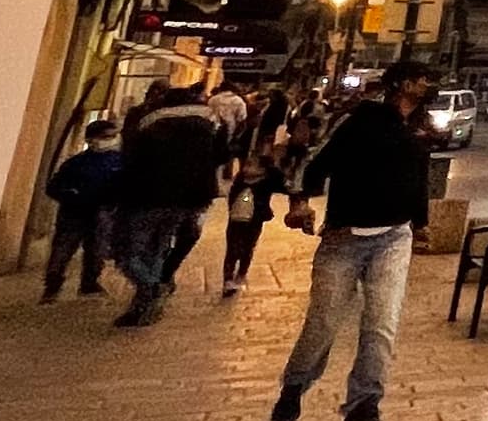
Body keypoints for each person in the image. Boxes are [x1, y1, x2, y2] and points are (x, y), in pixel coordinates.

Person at [273, 67, 437, 421]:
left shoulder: (418, 129)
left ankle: (364, 406)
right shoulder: (357, 121)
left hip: (394, 237)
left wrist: (420, 225)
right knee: (323, 323)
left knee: (382, 324)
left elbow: (418, 180)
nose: (429, 85)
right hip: (344, 237)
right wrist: (299, 202)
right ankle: (294, 386)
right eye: (422, 79)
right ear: (402, 84)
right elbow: (312, 161)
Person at [110, 83, 233, 324]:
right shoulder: (211, 122)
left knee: (126, 252)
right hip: (191, 198)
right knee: (158, 247)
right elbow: (223, 156)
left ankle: (151, 288)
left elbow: (131, 159)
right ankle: (145, 304)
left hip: (150, 194)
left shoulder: (150, 120)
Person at [40, 118, 125, 299]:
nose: (111, 139)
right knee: (63, 250)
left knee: (96, 250)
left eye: (113, 136)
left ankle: (89, 283)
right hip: (74, 214)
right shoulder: (76, 163)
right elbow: (53, 187)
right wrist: (72, 196)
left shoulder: (120, 162)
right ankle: (52, 286)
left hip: (102, 213)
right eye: (105, 136)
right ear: (91, 139)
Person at [219, 97, 296, 295]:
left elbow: (236, 147)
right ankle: (237, 276)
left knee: (235, 240)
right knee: (248, 242)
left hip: (244, 192)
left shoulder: (254, 128)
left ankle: (231, 278)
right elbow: (284, 182)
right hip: (258, 199)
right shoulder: (279, 134)